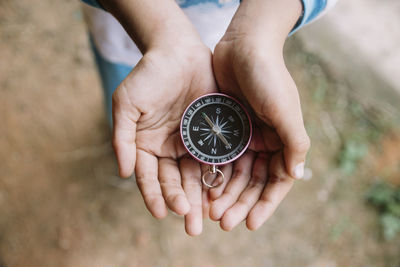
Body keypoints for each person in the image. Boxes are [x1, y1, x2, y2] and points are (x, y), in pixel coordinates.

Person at [81, 0, 337, 236]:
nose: (215, 131)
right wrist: (160, 32)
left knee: (136, 119)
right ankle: (117, 136)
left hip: (229, 25)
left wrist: (259, 35)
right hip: (127, 25)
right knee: (130, 116)